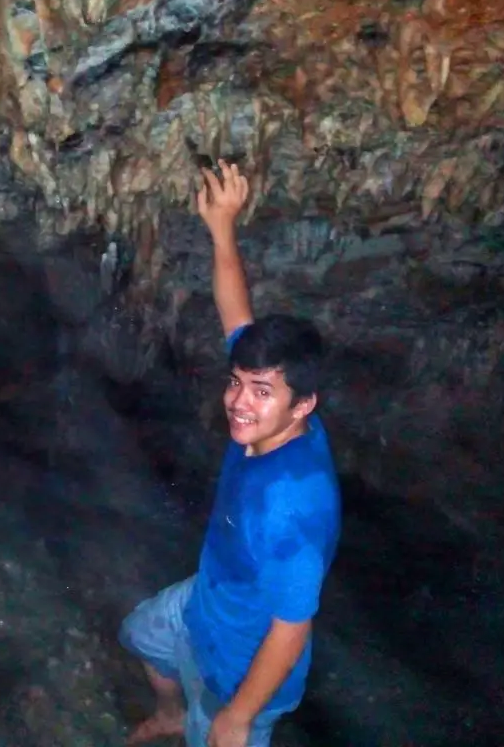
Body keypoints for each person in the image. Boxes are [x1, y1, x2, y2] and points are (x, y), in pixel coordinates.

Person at [119, 162, 342, 747]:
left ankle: (204, 719)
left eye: (261, 391)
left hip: (242, 668)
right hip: (207, 601)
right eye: (237, 381)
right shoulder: (275, 424)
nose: (239, 402)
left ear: (303, 405)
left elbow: (292, 629)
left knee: (216, 729)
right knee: (142, 634)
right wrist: (222, 228)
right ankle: (170, 714)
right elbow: (236, 316)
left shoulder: (291, 505)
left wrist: (238, 715)